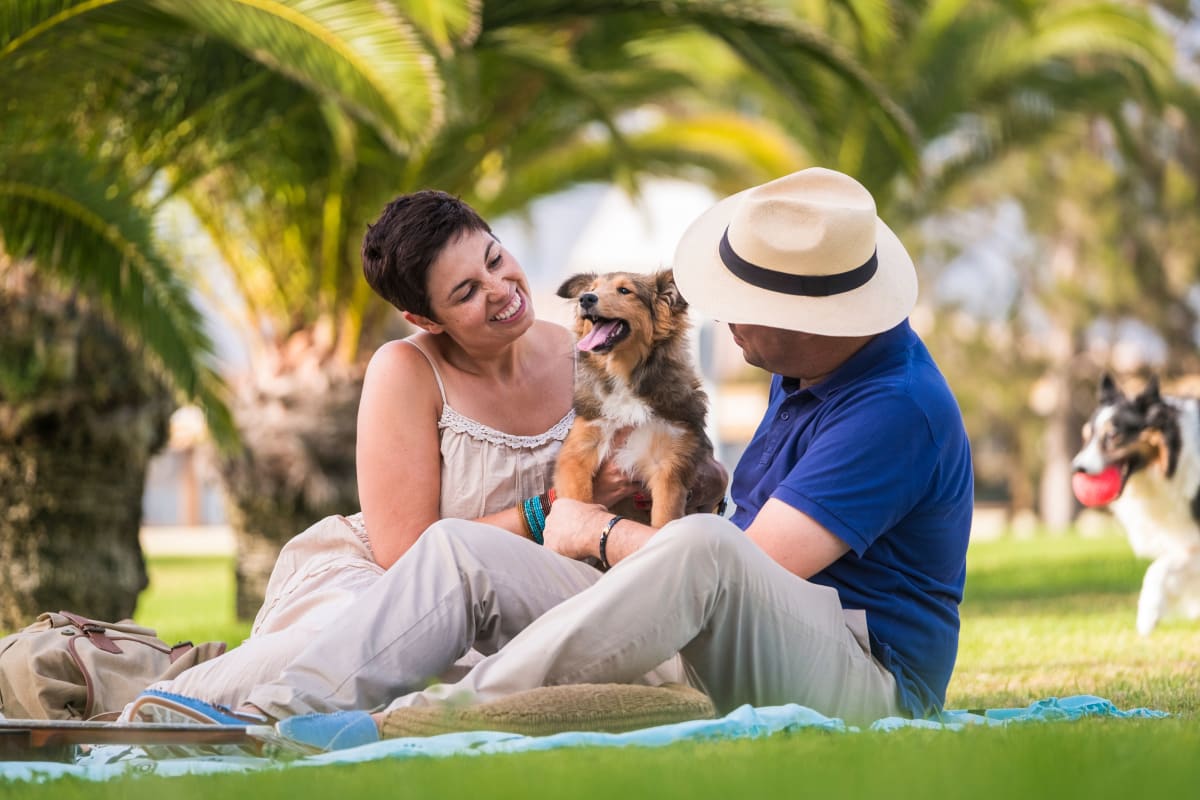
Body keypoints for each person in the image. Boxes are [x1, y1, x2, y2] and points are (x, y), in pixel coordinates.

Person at [133, 167, 972, 744]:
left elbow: (744, 571)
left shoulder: (893, 409)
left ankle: (448, 715)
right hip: (740, 628)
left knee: (708, 549)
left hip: (866, 679)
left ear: (818, 315)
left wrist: (594, 534)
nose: (723, 322)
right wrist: (564, 521)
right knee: (460, 551)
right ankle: (263, 715)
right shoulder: (809, 361)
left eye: (745, 308)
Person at [143, 190, 719, 710]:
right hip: (392, 578)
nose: (500, 291)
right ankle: (162, 711)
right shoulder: (407, 371)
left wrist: (693, 477)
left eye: (494, 260)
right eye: (466, 292)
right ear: (424, 318)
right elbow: (406, 555)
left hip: (544, 583)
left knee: (510, 675)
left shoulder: (594, 349)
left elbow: (666, 445)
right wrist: (549, 508)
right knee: (354, 639)